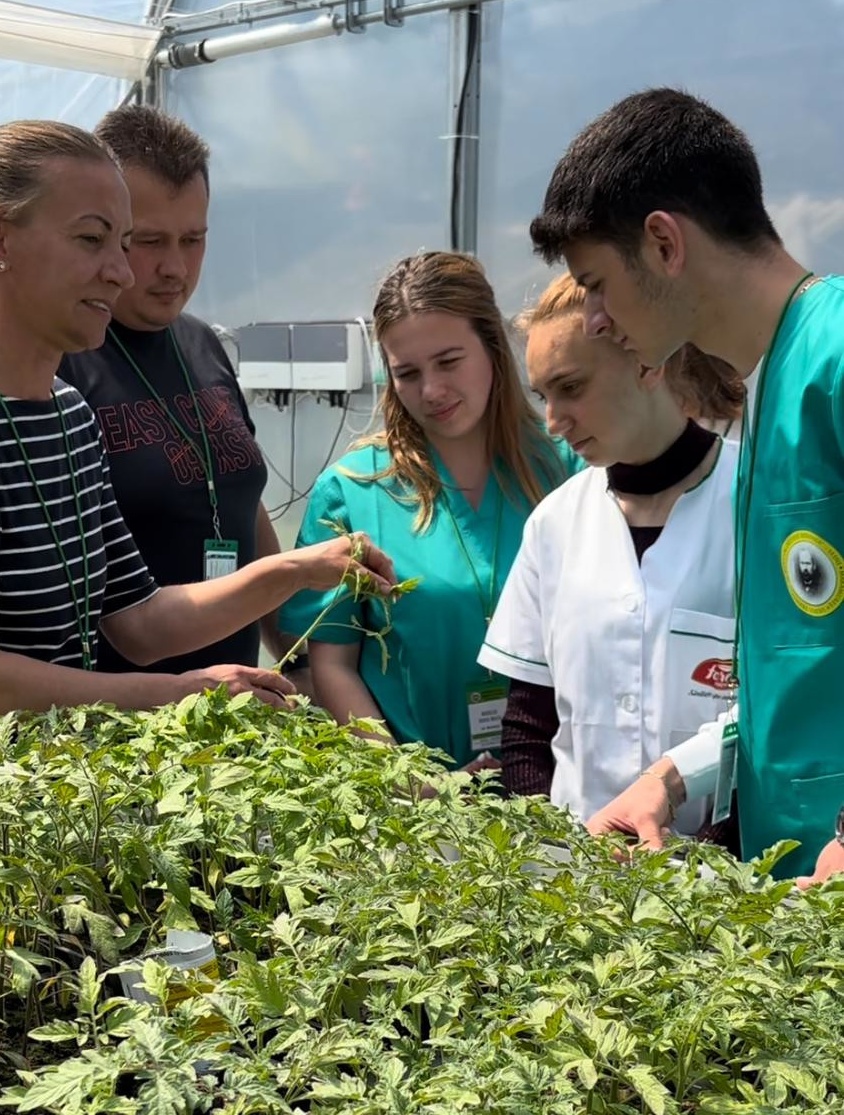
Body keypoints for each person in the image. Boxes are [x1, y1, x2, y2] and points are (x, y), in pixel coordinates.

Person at [0, 120, 392, 768]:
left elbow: (140, 623)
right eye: (92, 240)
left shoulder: (66, 414)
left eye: (123, 242)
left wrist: (297, 568)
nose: (119, 271)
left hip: (33, 773)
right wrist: (181, 695)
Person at [530, 87, 844, 884]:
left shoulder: (834, 360)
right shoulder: (767, 396)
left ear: (664, 243)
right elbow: (795, 679)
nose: (595, 316)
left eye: (597, 282)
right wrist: (672, 779)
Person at [278, 250, 578, 770]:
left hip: (565, 791)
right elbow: (333, 666)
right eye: (408, 372)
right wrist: (416, 790)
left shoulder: (568, 469)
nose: (432, 391)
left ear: (492, 345)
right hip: (420, 818)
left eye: (448, 362)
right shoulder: (351, 493)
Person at [479, 273, 739, 842]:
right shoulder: (555, 524)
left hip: (730, 894)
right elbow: (528, 726)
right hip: (579, 893)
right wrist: (551, 858)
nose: (553, 420)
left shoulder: (755, 506)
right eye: (543, 396)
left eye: (571, 387)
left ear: (648, 361)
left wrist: (707, 866)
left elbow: (782, 718)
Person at [59, 107, 305, 687]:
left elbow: (243, 506)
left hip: (234, 708)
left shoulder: (200, 342)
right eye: (149, 241)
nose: (175, 267)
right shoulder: (60, 357)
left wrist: (293, 657)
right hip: (117, 723)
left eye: (193, 239)